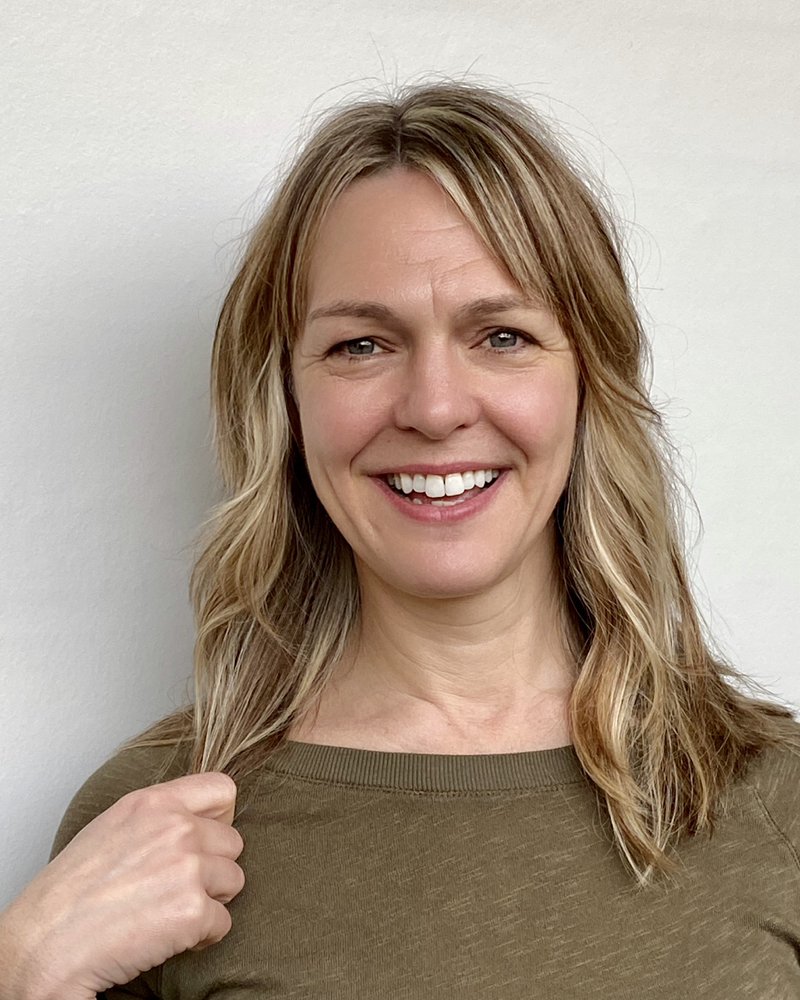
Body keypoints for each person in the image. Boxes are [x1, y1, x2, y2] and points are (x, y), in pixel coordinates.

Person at [2, 77, 799, 999]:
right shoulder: (153, 834)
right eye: (361, 346)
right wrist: (23, 972)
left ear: (588, 380)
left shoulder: (775, 802)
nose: (435, 408)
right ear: (286, 398)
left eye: (501, 336)